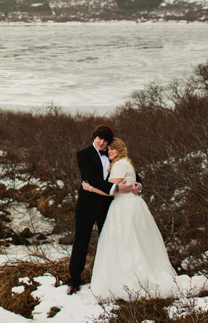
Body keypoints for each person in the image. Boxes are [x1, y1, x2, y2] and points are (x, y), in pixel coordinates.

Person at [83, 138, 208, 300]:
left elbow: (111, 191)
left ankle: (130, 278)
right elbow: (128, 183)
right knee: (137, 241)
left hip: (124, 207)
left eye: (112, 149)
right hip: (132, 204)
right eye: (108, 150)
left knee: (126, 242)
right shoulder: (126, 163)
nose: (109, 151)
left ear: (120, 150)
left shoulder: (119, 165)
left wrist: (90, 188)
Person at [67, 125, 140, 295]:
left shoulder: (112, 153)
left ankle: (110, 279)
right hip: (87, 206)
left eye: (105, 140)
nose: (101, 142)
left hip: (108, 207)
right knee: (81, 243)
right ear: (94, 137)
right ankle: (74, 281)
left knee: (109, 243)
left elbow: (132, 171)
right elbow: (90, 178)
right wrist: (115, 187)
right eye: (99, 138)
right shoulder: (83, 155)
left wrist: (138, 184)